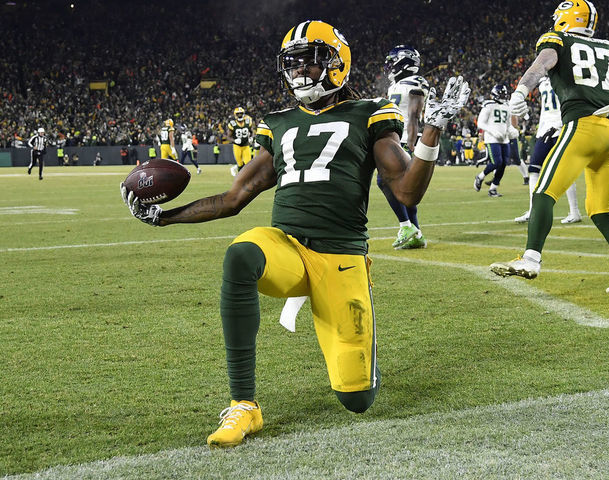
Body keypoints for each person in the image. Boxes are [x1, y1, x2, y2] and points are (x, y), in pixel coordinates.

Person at [121, 20, 469, 447]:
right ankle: (243, 406)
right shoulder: (279, 123)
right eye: (294, 63)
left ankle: (358, 364)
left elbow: (407, 191)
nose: (301, 71)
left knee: (357, 399)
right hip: (287, 248)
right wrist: (164, 216)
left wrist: (431, 130)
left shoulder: (370, 113)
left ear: (337, 63)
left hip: (341, 260)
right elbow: (234, 197)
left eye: (311, 60)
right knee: (241, 254)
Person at [490, 0, 609, 294]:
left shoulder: (557, 39)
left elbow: (540, 65)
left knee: (544, 190)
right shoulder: (608, 48)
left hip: (583, 125)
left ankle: (531, 258)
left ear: (566, 18)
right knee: (601, 211)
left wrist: (522, 89)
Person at [514, 76, 582, 224]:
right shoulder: (543, 80)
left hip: (561, 128)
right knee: (533, 169)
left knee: (566, 171)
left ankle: (575, 212)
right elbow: (546, 108)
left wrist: (560, 124)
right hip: (545, 130)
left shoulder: (565, 76)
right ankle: (532, 210)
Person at [380, 45, 429, 249]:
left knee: (384, 181)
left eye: (393, 60)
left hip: (403, 140)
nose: (390, 65)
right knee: (403, 189)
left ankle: (406, 226)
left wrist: (411, 144)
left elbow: (415, 114)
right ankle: (415, 231)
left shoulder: (416, 82)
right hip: (395, 138)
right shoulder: (395, 86)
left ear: (404, 61)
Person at [473, 84, 511, 197]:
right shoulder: (489, 105)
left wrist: (512, 131)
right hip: (492, 138)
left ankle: (493, 188)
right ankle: (480, 176)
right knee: (496, 162)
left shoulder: (507, 106)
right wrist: (493, 131)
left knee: (504, 163)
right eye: (501, 95)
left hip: (504, 139)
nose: (504, 97)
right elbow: (480, 123)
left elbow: (507, 124)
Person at [227, 107, 254, 176]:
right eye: (238, 114)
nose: (240, 115)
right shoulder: (232, 124)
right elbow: (228, 137)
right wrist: (234, 140)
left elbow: (252, 131)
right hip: (237, 146)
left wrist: (251, 137)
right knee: (240, 164)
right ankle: (240, 177)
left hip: (246, 145)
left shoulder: (248, 122)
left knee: (248, 163)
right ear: (235, 115)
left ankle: (246, 177)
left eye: (241, 113)